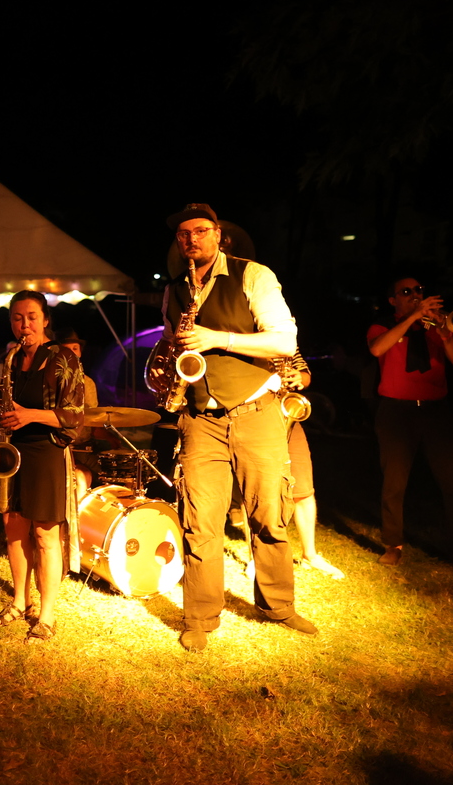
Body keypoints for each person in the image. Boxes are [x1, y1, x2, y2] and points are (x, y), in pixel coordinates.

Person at [153, 203, 316, 652]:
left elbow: (284, 340)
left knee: (269, 514)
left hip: (256, 411)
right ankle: (200, 617)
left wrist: (217, 339)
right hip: (199, 418)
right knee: (200, 522)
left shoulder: (254, 275)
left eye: (200, 231)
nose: (191, 240)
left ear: (218, 234)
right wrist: (166, 363)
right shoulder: (174, 289)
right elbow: (170, 339)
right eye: (183, 234)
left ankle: (278, 606)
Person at [0, 290, 85, 644]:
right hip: (13, 451)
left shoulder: (63, 358)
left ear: (45, 320)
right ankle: (19, 601)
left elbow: (74, 417)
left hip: (46, 451)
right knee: (13, 528)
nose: (24, 325)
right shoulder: (12, 359)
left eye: (31, 317)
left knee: (45, 534)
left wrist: (29, 415)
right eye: (17, 318)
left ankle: (46, 615)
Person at [366, 276, 453, 567]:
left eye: (418, 290)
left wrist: (446, 333)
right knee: (394, 482)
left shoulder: (437, 327)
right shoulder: (383, 325)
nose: (415, 294)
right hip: (396, 412)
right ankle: (393, 544)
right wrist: (413, 316)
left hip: (435, 410)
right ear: (393, 300)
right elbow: (376, 349)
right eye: (406, 291)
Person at [229, 351, 344, 579]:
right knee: (253, 490)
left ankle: (310, 555)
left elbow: (305, 373)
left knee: (304, 490)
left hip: (286, 412)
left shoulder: (285, 341)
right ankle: (255, 558)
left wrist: (300, 378)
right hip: (253, 416)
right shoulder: (244, 338)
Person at [56, 329, 100, 492]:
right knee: (80, 477)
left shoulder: (88, 383)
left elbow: (93, 417)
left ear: (80, 352)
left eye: (75, 348)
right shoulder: (51, 380)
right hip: (57, 446)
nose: (71, 353)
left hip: (83, 446)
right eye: (66, 349)